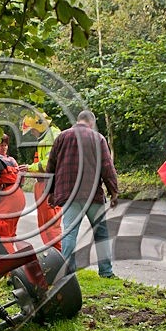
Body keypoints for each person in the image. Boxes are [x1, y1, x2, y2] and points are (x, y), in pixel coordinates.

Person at [46, 110, 119, 277]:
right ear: (91, 123)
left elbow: (51, 167)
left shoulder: (62, 137)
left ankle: (65, 272)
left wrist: (50, 193)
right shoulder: (98, 138)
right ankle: (106, 272)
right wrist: (113, 191)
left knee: (70, 233)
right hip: (92, 194)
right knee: (101, 233)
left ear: (78, 121)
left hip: (69, 194)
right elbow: (107, 167)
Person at [19, 112, 62, 251]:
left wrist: (30, 168)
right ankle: (52, 257)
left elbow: (50, 163)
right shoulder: (45, 138)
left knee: (51, 225)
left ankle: (61, 259)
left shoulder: (53, 136)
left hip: (51, 185)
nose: (32, 133)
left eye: (32, 130)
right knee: (44, 225)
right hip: (43, 184)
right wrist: (30, 169)